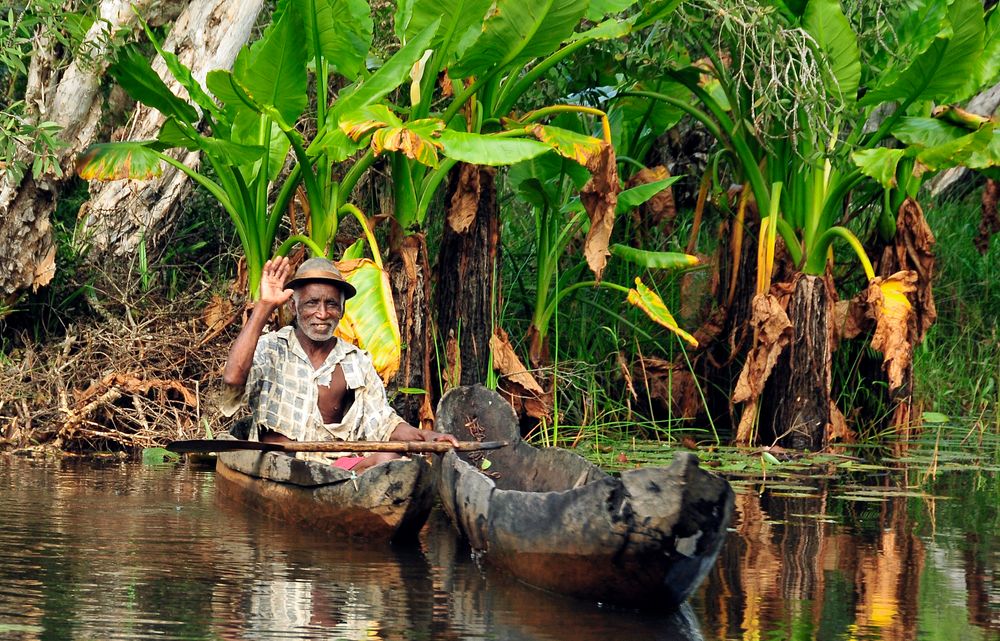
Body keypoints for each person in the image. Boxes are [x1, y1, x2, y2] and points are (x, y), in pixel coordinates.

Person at [221, 255, 457, 473]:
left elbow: (384, 423)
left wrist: (426, 436)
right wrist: (264, 306)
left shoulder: (356, 362)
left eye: (331, 304)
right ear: (294, 307)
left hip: (335, 470)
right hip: (277, 467)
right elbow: (233, 378)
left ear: (342, 310)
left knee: (392, 456)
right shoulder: (271, 347)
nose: (322, 314)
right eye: (312, 303)